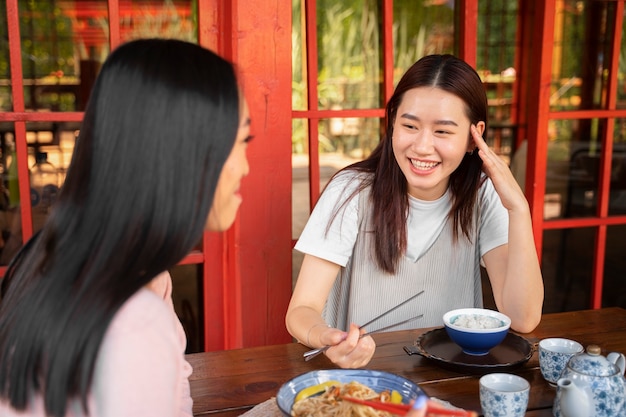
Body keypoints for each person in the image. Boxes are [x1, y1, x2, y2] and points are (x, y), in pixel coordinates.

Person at [0, 38, 252, 417]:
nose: (246, 167)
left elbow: (176, 388)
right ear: (185, 155)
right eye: (242, 141)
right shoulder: (132, 319)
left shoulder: (43, 258)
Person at [286, 54, 544, 369]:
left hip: (451, 381)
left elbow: (523, 317)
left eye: (443, 131)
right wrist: (326, 336)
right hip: (365, 380)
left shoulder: (483, 194)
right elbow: (301, 310)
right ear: (393, 121)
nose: (422, 146)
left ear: (473, 136)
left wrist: (519, 209)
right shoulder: (351, 191)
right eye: (410, 125)